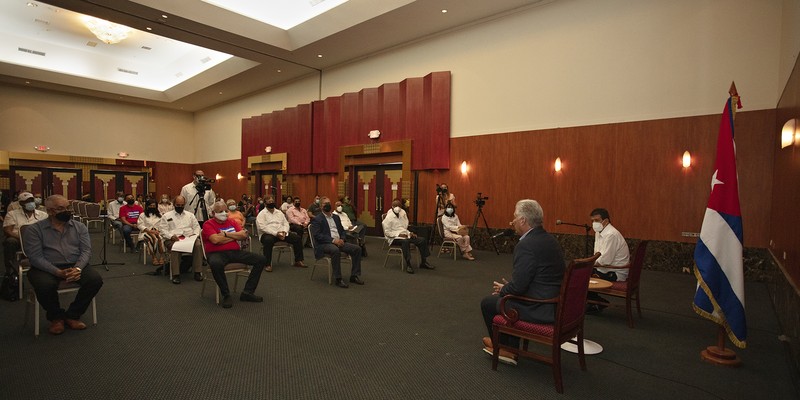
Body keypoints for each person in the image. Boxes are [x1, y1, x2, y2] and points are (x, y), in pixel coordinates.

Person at [480, 199, 565, 365]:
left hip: (539, 307)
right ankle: (505, 344)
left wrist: (505, 289)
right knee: (507, 297)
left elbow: (518, 287)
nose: (512, 222)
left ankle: (506, 349)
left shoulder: (526, 245)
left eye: (514, 217)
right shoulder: (549, 239)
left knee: (489, 303)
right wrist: (509, 288)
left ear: (523, 220)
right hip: (554, 302)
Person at [23, 195, 103, 335]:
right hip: (45, 267)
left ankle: (72, 315)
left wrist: (78, 268)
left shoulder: (79, 227)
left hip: (75, 264)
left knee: (95, 280)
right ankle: (56, 317)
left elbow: (86, 251)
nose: (67, 211)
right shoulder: (34, 230)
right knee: (45, 285)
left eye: (68, 207)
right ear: (50, 211)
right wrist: (57, 272)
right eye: (61, 208)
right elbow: (35, 257)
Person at [201, 201, 267, 308]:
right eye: (220, 211)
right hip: (216, 253)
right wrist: (234, 236)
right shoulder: (208, 224)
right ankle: (226, 295)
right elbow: (215, 240)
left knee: (261, 259)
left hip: (234, 252)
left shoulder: (232, 221)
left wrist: (226, 234)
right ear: (213, 213)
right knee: (215, 264)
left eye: (225, 211)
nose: (224, 213)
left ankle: (247, 292)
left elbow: (243, 235)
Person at [310, 197, 364, 288]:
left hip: (339, 242)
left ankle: (354, 276)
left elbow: (342, 231)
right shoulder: (318, 219)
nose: (327, 205)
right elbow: (318, 236)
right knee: (335, 250)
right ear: (320, 206)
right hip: (324, 244)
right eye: (325, 204)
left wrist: (342, 239)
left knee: (357, 249)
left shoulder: (336, 217)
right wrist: (333, 240)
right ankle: (338, 278)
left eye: (329, 203)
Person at [586, 208, 630, 313]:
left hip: (615, 272)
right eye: (592, 221)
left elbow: (605, 260)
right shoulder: (599, 232)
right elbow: (597, 255)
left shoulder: (611, 235)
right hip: (604, 268)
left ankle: (597, 302)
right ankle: (593, 302)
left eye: (596, 220)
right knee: (580, 273)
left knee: (581, 275)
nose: (594, 223)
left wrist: (588, 263)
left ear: (605, 221)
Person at [159, 195, 204, 284]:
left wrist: (194, 235)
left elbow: (197, 228)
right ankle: (176, 274)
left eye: (182, 205)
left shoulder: (190, 215)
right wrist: (171, 236)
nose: (180, 207)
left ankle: (198, 272)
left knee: (198, 245)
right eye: (178, 205)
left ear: (184, 205)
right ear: (174, 204)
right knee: (175, 248)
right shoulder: (166, 216)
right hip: (172, 239)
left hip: (189, 238)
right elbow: (162, 230)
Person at [382, 199, 433, 274]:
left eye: (399, 206)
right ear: (392, 207)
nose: (398, 207)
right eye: (395, 206)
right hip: (394, 238)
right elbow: (387, 233)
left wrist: (409, 233)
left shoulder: (402, 213)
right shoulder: (388, 218)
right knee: (405, 242)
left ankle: (424, 262)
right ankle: (408, 264)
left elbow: (404, 228)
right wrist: (398, 235)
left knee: (422, 240)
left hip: (405, 235)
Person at [256, 196, 305, 272]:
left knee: (297, 238)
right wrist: (276, 233)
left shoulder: (279, 212)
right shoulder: (261, 214)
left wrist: (285, 232)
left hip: (282, 233)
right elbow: (262, 227)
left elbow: (286, 223)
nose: (271, 203)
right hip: (268, 234)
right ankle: (267, 264)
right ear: (265, 204)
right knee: (268, 241)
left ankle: (298, 261)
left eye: (272, 201)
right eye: (269, 202)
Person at [3, 192, 48, 273]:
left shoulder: (43, 215)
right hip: (19, 239)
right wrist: (22, 238)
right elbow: (8, 231)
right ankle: (10, 270)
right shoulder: (12, 214)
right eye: (27, 201)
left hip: (38, 239)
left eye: (31, 200)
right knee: (10, 241)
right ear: (21, 203)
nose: (30, 203)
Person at [137, 199, 166, 267]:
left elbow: (163, 225)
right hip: (146, 232)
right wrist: (149, 231)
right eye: (151, 205)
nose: (152, 207)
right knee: (152, 239)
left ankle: (162, 256)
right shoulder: (142, 215)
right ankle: (154, 257)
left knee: (161, 238)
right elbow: (140, 225)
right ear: (147, 206)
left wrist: (158, 231)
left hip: (158, 232)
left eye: (154, 206)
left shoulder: (160, 215)